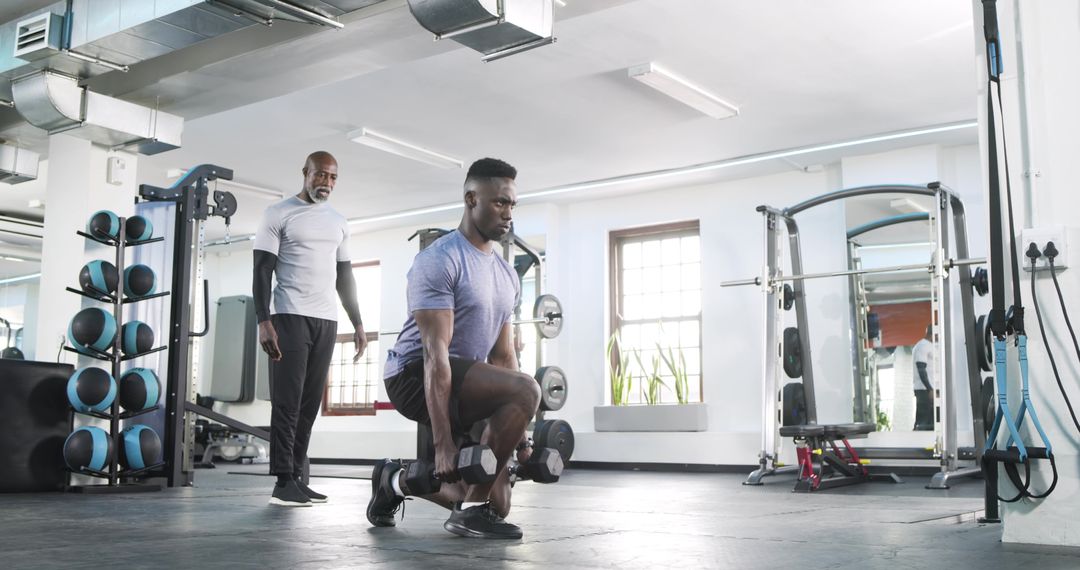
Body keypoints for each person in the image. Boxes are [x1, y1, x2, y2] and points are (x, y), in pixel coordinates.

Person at [367, 157, 541, 539]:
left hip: (464, 379)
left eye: (512, 204)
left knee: (495, 501)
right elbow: (434, 354)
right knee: (528, 387)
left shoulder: (506, 275)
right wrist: (443, 443)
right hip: (413, 374)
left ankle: (392, 482)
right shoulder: (439, 259)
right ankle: (469, 514)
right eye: (499, 202)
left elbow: (503, 358)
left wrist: (523, 437)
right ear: (470, 199)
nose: (508, 213)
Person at [253, 151, 368, 507]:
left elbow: (345, 276)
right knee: (287, 402)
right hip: (289, 315)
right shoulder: (278, 213)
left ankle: (297, 478)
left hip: (326, 320)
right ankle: (282, 481)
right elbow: (261, 270)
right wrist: (263, 320)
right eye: (320, 175)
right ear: (305, 173)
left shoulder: (338, 222)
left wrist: (358, 322)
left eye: (333, 177)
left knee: (308, 405)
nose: (326, 183)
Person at [912, 324, 935, 431]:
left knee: (930, 423)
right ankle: (916, 444)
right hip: (924, 390)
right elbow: (921, 368)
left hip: (928, 389)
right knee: (923, 422)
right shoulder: (923, 346)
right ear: (933, 334)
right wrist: (929, 389)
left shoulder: (928, 345)